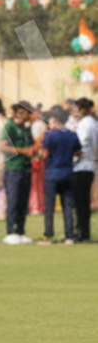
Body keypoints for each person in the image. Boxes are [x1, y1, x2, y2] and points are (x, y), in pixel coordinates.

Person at [40, 108, 81, 245]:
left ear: (55, 121)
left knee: (50, 206)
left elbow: (45, 154)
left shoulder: (50, 135)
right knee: (68, 206)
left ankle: (48, 234)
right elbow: (78, 153)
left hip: (52, 172)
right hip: (68, 172)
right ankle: (69, 235)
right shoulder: (72, 135)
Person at [0, 102, 37, 244]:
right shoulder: (10, 126)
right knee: (13, 201)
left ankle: (21, 231)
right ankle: (11, 231)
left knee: (23, 202)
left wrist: (35, 151)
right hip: (13, 168)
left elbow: (30, 145)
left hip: (25, 168)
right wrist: (24, 151)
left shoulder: (26, 128)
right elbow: (3, 147)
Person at [74, 98, 96, 244]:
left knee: (80, 201)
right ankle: (84, 231)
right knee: (84, 201)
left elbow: (80, 145)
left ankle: (81, 231)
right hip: (90, 165)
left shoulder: (85, 124)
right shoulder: (93, 123)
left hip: (82, 165)